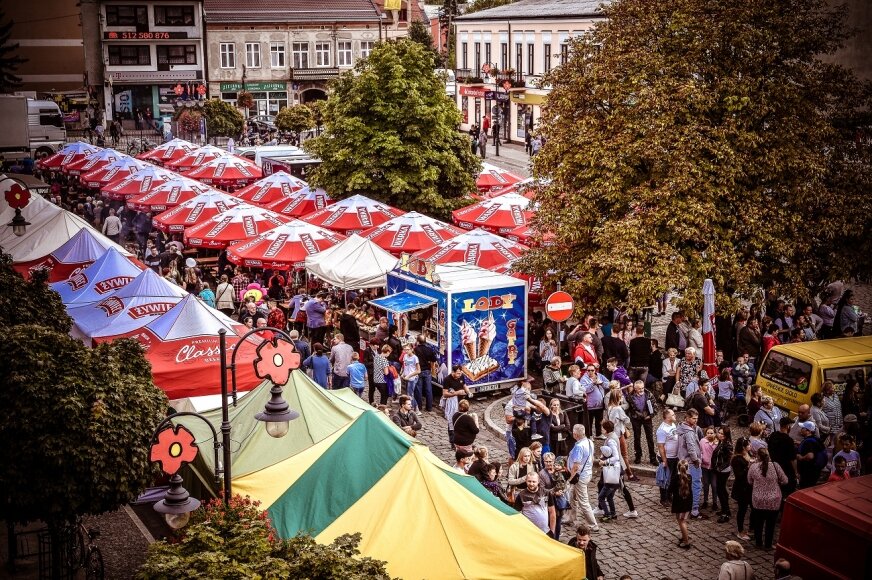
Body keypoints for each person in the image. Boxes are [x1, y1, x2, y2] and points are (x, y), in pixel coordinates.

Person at [748, 447, 787, 550]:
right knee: (771, 524)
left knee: (758, 522)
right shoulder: (775, 466)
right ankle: (768, 545)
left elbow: (749, 481)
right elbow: (785, 480)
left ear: (758, 456)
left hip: (758, 499)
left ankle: (758, 542)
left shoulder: (753, 467)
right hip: (774, 500)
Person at [567, 424, 598, 531]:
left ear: (575, 434)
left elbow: (576, 466)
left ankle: (593, 524)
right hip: (587, 473)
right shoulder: (589, 441)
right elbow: (592, 458)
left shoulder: (579, 447)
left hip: (579, 477)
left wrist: (569, 479)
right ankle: (571, 518)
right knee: (571, 496)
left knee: (583, 502)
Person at [677, 408, 706, 519]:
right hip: (691, 463)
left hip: (683, 462)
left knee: (685, 485)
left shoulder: (681, 427)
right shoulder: (689, 432)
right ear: (687, 418)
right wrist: (696, 460)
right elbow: (691, 448)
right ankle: (694, 510)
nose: (696, 421)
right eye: (694, 418)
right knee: (696, 485)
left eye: (697, 418)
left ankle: (685, 507)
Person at [606, 388, 636, 481]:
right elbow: (627, 420)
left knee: (617, 454)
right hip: (619, 434)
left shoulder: (609, 407)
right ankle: (629, 474)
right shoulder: (618, 409)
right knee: (624, 455)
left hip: (612, 434)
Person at [539, 452, 570, 539]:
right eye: (546, 461)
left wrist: (562, 490)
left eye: (550, 461)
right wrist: (554, 492)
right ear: (543, 462)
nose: (548, 463)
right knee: (550, 522)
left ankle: (557, 539)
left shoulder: (558, 470)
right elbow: (541, 490)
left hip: (559, 501)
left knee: (558, 522)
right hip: (549, 502)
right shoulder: (541, 474)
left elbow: (565, 484)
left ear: (554, 461)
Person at [768, 417, 799, 499]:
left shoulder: (773, 435)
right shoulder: (788, 440)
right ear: (788, 426)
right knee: (786, 490)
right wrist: (796, 472)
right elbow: (792, 458)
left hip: (774, 466)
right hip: (786, 469)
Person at [730, 437, 753, 541]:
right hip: (742, 488)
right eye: (748, 445)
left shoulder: (749, 454)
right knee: (742, 510)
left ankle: (751, 529)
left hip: (749, 487)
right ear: (743, 447)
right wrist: (748, 467)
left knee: (753, 508)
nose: (750, 446)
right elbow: (739, 475)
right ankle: (740, 531)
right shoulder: (737, 459)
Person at [442, 365, 469, 446]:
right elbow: (445, 394)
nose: (459, 375)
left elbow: (464, 385)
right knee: (452, 422)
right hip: (452, 404)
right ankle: (452, 441)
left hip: (461, 403)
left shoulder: (461, 376)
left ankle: (462, 439)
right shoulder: (447, 379)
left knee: (462, 420)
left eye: (460, 373)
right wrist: (457, 393)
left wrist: (468, 392)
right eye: (457, 373)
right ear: (453, 372)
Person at [669, 459, 693, 549]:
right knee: (681, 520)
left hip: (679, 504)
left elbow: (670, 489)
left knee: (682, 522)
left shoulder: (675, 478)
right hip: (687, 503)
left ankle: (686, 542)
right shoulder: (689, 477)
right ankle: (684, 536)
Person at [657, 408, 679, 506]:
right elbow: (661, 447)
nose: (675, 415)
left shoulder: (673, 424)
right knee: (665, 478)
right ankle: (664, 498)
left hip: (674, 457)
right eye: (673, 414)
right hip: (667, 457)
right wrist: (664, 460)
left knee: (673, 478)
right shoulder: (662, 430)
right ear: (667, 417)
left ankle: (670, 495)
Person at [712, 426, 734, 523]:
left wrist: (719, 468)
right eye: (719, 433)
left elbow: (728, 460)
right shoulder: (721, 442)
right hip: (719, 470)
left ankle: (725, 513)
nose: (720, 435)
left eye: (722, 434)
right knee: (721, 491)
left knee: (721, 491)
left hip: (723, 471)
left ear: (726, 435)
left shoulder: (727, 444)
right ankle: (725, 510)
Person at [581, 363, 608, 438]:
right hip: (590, 405)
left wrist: (601, 383)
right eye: (588, 370)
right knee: (589, 421)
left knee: (599, 420)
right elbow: (584, 390)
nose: (590, 372)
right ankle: (589, 435)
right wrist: (593, 384)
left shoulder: (600, 376)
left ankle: (599, 434)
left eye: (592, 370)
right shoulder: (583, 379)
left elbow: (609, 384)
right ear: (586, 371)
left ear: (595, 370)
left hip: (600, 403)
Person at [796, 421, 826, 488]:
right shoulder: (817, 440)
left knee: (804, 489)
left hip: (808, 473)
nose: (800, 429)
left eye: (802, 428)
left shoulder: (808, 442)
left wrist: (801, 457)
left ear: (808, 431)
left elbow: (810, 456)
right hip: (816, 472)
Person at [414, 335, 437, 412]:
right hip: (427, 370)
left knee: (418, 389)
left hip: (418, 371)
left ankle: (419, 407)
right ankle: (429, 407)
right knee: (428, 389)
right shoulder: (429, 349)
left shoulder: (416, 349)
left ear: (418, 341)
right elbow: (433, 360)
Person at [700, 426, 719, 512]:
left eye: (711, 433)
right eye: (708, 433)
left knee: (714, 486)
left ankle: (715, 502)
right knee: (706, 485)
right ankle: (705, 501)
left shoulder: (717, 443)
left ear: (715, 434)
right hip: (704, 467)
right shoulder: (703, 441)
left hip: (713, 468)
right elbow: (700, 451)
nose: (709, 435)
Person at [400, 343, 422, 412]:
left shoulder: (415, 358)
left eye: (408, 349)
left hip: (412, 378)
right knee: (409, 394)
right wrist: (403, 373)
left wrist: (409, 375)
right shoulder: (405, 356)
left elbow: (418, 371)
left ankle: (415, 409)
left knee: (410, 395)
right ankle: (414, 409)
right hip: (406, 377)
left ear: (412, 349)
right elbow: (405, 366)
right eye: (405, 349)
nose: (406, 351)